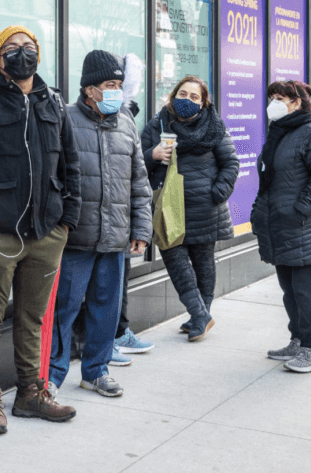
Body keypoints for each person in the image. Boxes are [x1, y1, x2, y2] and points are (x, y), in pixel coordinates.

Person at [0, 25, 82, 435]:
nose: (21, 53)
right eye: (11, 48)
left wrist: (67, 222)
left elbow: (71, 164)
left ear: (38, 55)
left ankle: (31, 393)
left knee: (32, 318)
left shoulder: (54, 102)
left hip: (47, 234)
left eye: (28, 47)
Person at [47, 50, 151, 399]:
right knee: (63, 310)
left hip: (115, 239)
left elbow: (139, 182)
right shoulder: (66, 119)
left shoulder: (127, 123)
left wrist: (141, 230)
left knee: (106, 311)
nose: (116, 91)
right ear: (89, 89)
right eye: (110, 84)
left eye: (119, 84)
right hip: (75, 238)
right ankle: (52, 375)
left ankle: (96, 371)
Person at [141, 77, 239, 342]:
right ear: (173, 96)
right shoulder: (157, 125)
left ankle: (200, 315)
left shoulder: (214, 127)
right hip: (168, 208)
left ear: (203, 102)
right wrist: (153, 155)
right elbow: (136, 163)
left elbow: (231, 163)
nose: (187, 100)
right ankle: (199, 315)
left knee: (203, 263)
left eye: (195, 97)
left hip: (204, 208)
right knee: (176, 263)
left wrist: (217, 193)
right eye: (183, 94)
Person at [251, 80, 311, 373]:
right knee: (289, 290)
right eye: (272, 97)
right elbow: (269, 181)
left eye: (280, 98)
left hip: (304, 225)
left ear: (297, 103)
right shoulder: (280, 133)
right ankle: (298, 340)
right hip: (281, 225)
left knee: (305, 291)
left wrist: (299, 210)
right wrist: (260, 213)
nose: (273, 103)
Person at [114, 54, 155, 361]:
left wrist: (140, 227)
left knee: (118, 282)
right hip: (105, 221)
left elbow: (137, 179)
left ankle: (117, 334)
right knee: (108, 286)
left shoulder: (126, 115)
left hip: (122, 218)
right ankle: (111, 339)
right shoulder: (115, 115)